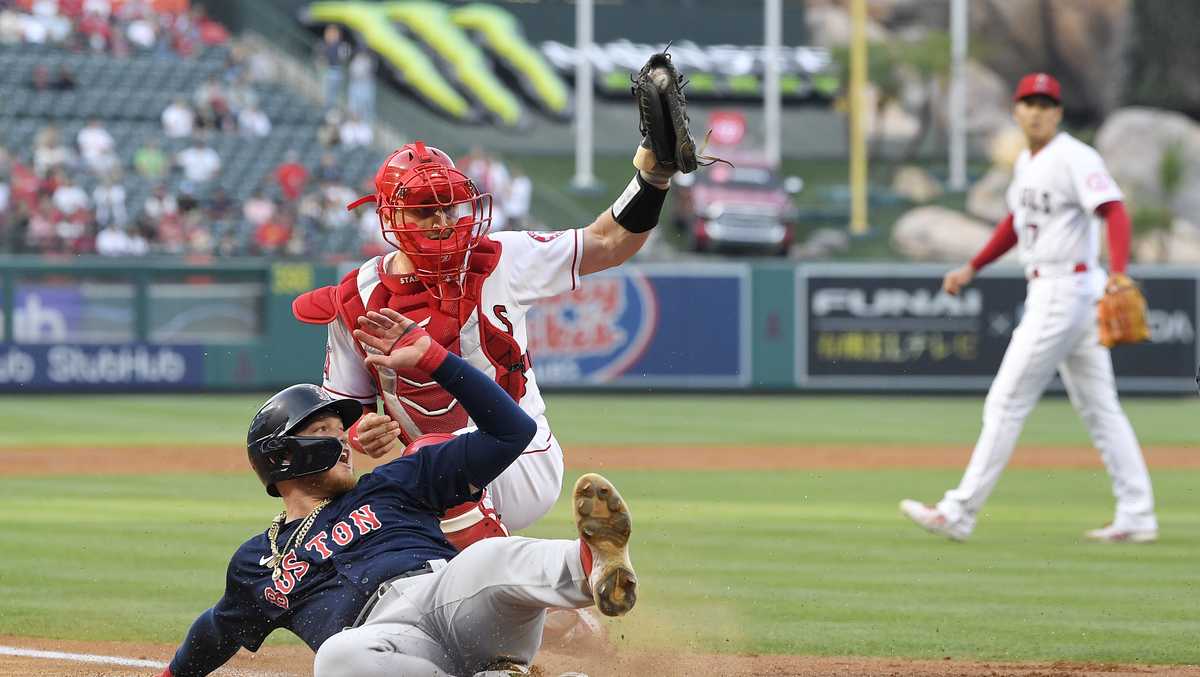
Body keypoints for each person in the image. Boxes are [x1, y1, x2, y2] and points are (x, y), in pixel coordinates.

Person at [159, 310, 635, 677]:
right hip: (387, 644)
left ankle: (592, 565)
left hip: (448, 597)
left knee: (491, 557)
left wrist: (436, 360)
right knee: (336, 659)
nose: (344, 439)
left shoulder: (394, 483)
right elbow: (216, 630)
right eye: (325, 431)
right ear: (283, 458)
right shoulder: (255, 561)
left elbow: (512, 432)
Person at [293, 138, 672, 535]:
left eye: (448, 207)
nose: (441, 222)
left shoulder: (500, 256)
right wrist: (360, 431)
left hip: (521, 456)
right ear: (390, 215)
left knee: (436, 461)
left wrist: (652, 179)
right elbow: (343, 411)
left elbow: (607, 242)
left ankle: (561, 567)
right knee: (395, 552)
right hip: (431, 475)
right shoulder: (357, 297)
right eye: (425, 210)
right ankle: (559, 587)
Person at [900, 73, 1158, 544]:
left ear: (1057, 113)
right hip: (1062, 290)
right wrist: (972, 267)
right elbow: (1015, 225)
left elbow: (1114, 210)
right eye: (1028, 103)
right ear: (1016, 111)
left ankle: (959, 511)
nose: (1037, 111)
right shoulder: (1027, 162)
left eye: (1046, 103)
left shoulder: (1075, 157)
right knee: (1101, 409)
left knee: (1006, 401)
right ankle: (1138, 514)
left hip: (1065, 290)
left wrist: (1119, 273)